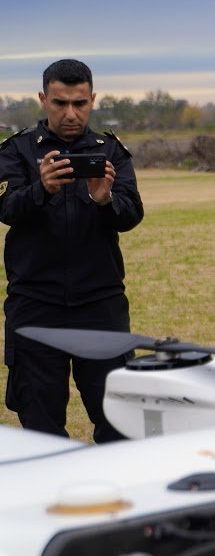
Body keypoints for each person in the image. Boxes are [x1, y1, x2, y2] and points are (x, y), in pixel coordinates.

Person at [1, 59, 144, 444]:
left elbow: (132, 214)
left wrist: (104, 199)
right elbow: (5, 209)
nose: (70, 113)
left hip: (99, 304)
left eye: (79, 103)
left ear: (92, 100)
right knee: (41, 427)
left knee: (118, 420)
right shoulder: (17, 151)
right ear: (43, 99)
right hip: (35, 303)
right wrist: (42, 189)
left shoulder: (110, 151)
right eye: (60, 103)